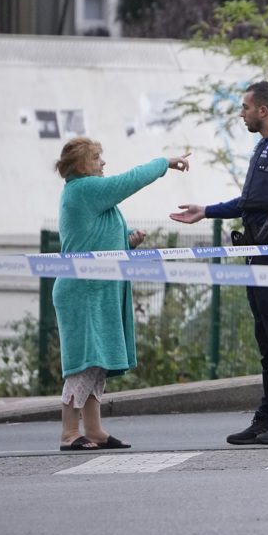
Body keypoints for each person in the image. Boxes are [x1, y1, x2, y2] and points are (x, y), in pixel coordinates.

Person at [171, 81, 268, 446]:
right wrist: (206, 212)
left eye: (245, 108)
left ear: (263, 110)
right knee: (267, 340)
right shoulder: (264, 146)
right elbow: (250, 202)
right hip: (256, 252)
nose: (241, 113)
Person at [53, 138, 191, 451]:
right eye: (97, 158)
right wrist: (164, 163)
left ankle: (95, 430)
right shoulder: (84, 189)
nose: (103, 163)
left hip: (95, 291)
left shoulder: (86, 193)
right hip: (83, 292)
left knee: (96, 364)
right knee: (85, 363)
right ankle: (69, 433)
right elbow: (129, 181)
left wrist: (126, 242)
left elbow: (91, 240)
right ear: (81, 165)